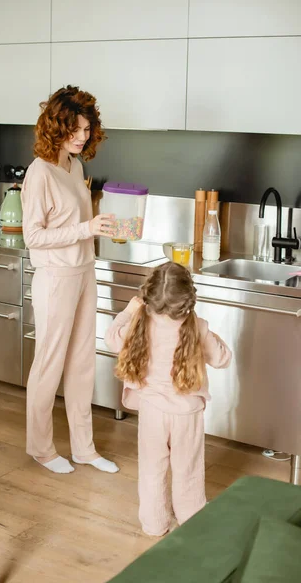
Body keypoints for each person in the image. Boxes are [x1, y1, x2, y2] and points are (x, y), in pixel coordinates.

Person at [22, 85, 119, 475]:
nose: (82, 136)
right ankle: (41, 448)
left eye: (86, 129)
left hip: (83, 271)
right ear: (56, 127)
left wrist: (97, 227)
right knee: (49, 363)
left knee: (81, 363)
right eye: (75, 129)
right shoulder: (39, 172)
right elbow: (35, 236)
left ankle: (84, 448)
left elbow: (75, 224)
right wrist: (84, 229)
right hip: (56, 277)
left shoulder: (74, 166)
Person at [105, 262, 231, 535]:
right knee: (188, 470)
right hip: (187, 413)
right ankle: (191, 523)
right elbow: (223, 359)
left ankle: (155, 524)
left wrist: (129, 310)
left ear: (147, 300)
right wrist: (205, 329)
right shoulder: (197, 327)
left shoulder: (139, 323)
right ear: (188, 301)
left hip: (152, 411)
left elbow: (111, 338)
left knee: (152, 469)